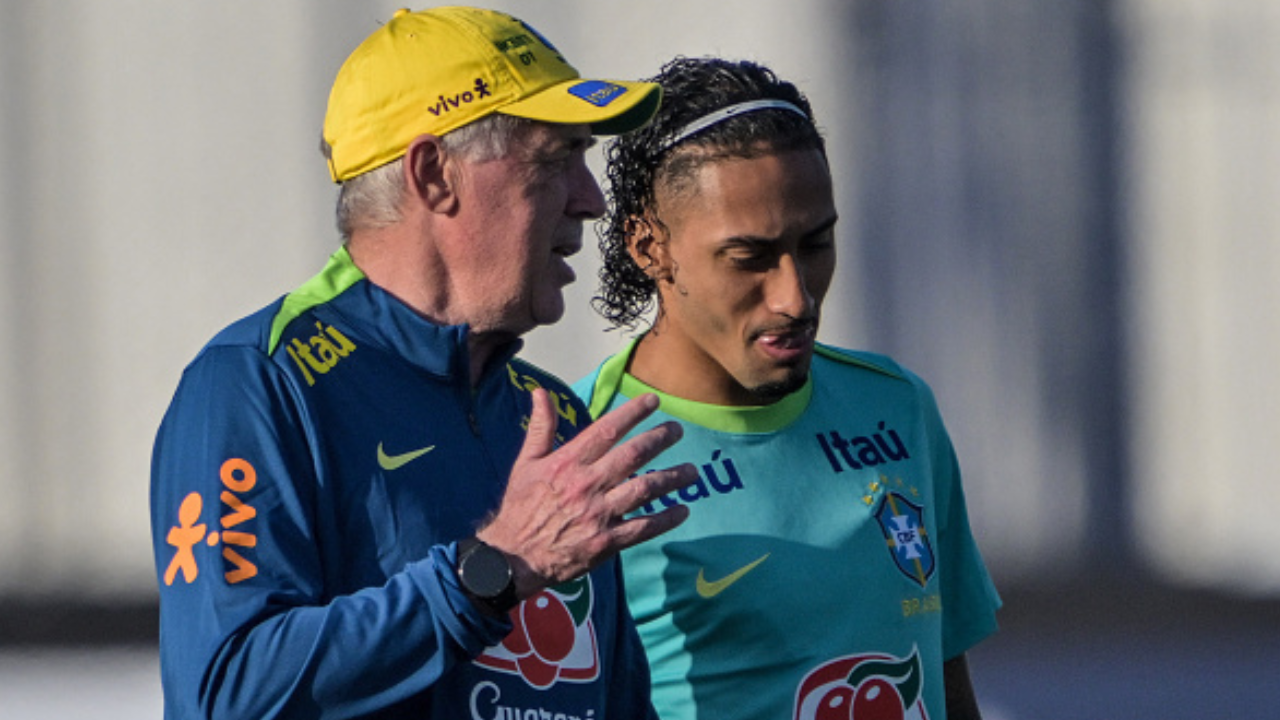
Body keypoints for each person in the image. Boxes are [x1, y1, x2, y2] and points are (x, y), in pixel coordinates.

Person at [150, 7, 698, 719]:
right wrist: (495, 570)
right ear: (434, 175)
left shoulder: (555, 416)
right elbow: (226, 694)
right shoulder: (259, 382)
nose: (591, 200)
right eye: (554, 159)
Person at [574, 57, 1002, 720]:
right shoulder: (581, 450)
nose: (795, 298)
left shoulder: (897, 408)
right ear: (648, 246)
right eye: (749, 258)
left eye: (816, 244)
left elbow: (947, 681)